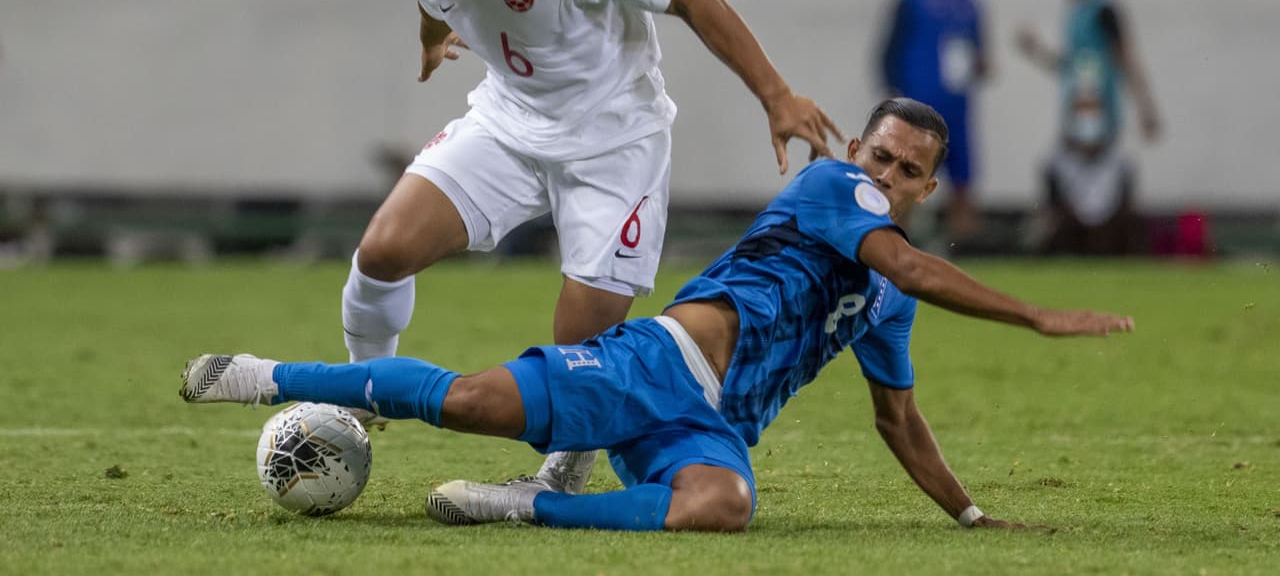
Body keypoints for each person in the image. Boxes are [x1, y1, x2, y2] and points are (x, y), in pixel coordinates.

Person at [181, 99, 1134, 533]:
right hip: (661, 363)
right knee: (469, 400)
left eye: (906, 168)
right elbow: (913, 265)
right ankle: (266, 376)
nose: (885, 174)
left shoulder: (883, 299)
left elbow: (899, 418)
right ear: (858, 149)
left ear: (931, 181)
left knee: (725, 503)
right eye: (879, 154)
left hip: (706, 426)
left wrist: (968, 515)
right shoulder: (831, 187)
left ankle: (534, 503)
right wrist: (1036, 315)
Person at [322, 0, 842, 492]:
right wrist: (431, 36)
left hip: (613, 140)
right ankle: (362, 396)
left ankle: (562, 474)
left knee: (582, 339)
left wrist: (775, 96)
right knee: (382, 251)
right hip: (510, 123)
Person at [1016, 0, 1161, 255]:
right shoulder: (1076, 9)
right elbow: (1071, 68)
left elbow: (1125, 57)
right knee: (1059, 176)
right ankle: (1071, 245)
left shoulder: (1103, 5)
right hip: (1076, 113)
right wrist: (1037, 51)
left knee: (1100, 184)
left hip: (1098, 114)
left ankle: (1115, 246)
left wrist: (1146, 108)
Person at [879, 0, 988, 239]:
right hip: (918, 107)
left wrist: (979, 65)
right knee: (906, 180)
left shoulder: (969, 2)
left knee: (963, 184)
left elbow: (980, 52)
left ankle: (963, 255)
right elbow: (890, 50)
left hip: (957, 107)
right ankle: (895, 250)